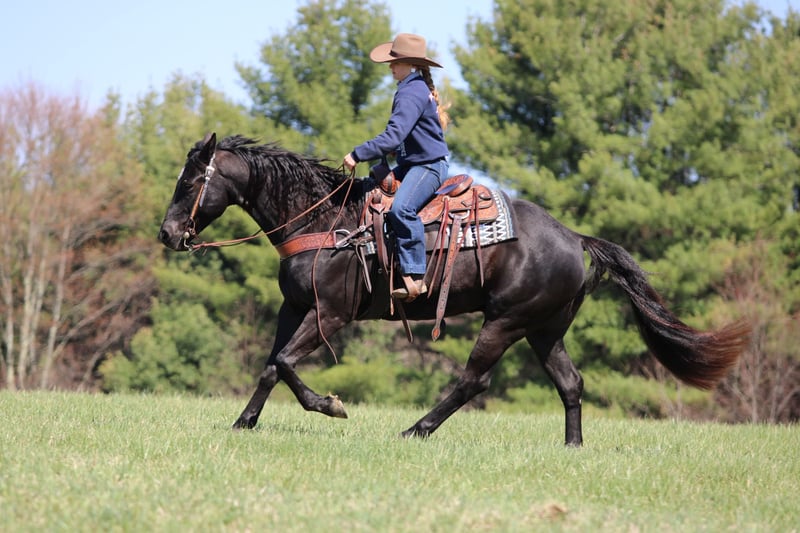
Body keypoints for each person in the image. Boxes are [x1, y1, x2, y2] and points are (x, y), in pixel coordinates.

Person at [343, 33, 450, 302]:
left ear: (411, 64)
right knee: (372, 196)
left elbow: (393, 135)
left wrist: (358, 154)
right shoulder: (413, 88)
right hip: (414, 164)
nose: (391, 66)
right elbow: (404, 137)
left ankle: (415, 276)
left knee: (402, 208)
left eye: (396, 61)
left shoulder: (411, 91)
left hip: (428, 167)